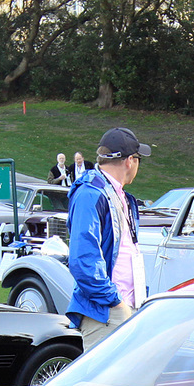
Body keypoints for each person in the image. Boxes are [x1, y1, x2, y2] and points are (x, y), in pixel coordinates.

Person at [66, 126, 150, 348]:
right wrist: (116, 301)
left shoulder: (119, 196)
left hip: (124, 309)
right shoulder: (90, 194)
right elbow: (82, 261)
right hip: (107, 314)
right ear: (130, 161)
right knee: (99, 383)